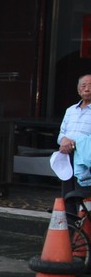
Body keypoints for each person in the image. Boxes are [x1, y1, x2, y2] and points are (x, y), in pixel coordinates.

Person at [56, 74, 91, 212]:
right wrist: (63, 140)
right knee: (68, 194)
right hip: (68, 157)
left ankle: (85, 229)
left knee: (84, 195)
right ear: (78, 90)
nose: (87, 89)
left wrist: (77, 143)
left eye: (90, 86)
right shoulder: (70, 110)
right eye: (84, 86)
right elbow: (62, 133)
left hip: (86, 160)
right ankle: (70, 228)